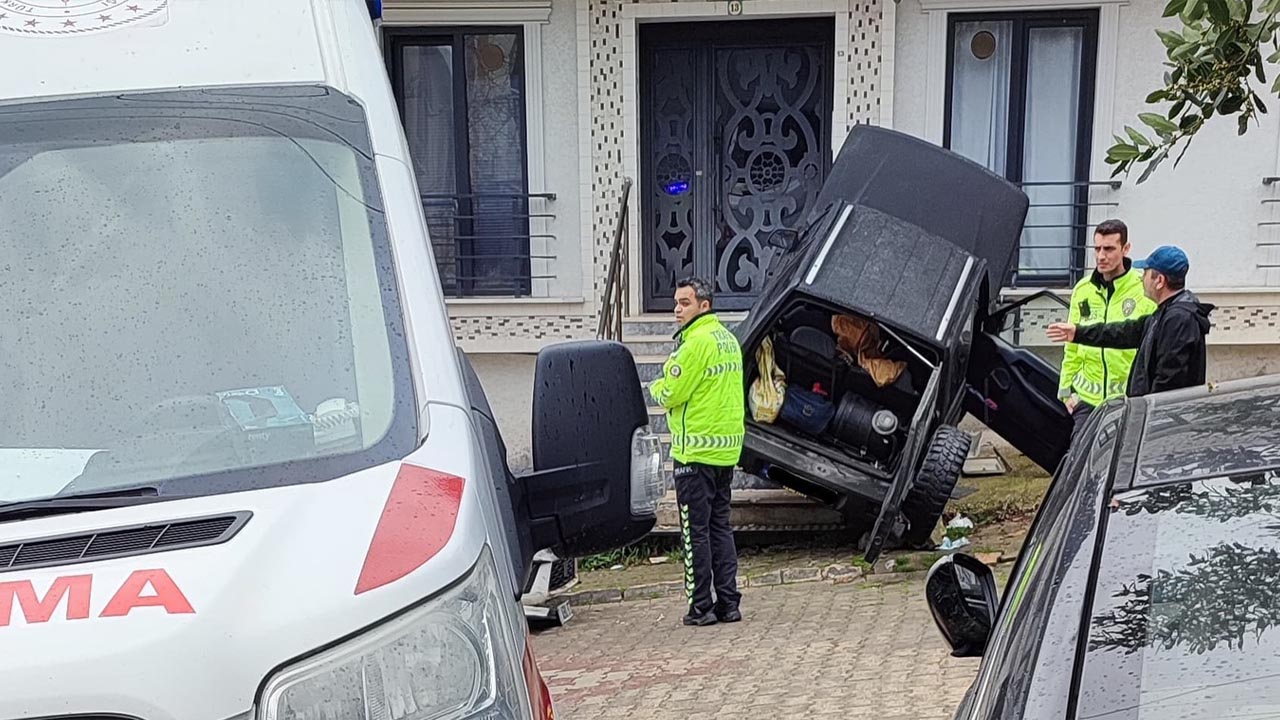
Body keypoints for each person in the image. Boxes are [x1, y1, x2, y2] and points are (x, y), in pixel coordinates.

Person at [649, 277, 745, 626]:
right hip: (724, 453)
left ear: (704, 306)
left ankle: (701, 607)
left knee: (695, 533)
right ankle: (729, 603)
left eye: (685, 303)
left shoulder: (694, 344)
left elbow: (670, 392)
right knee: (720, 527)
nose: (677, 309)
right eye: (676, 303)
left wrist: (657, 385)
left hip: (694, 454)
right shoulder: (728, 340)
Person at [1047, 245, 1214, 397]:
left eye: (1146, 273)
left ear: (1159, 281)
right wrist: (1078, 332)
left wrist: (1149, 417)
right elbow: (1124, 332)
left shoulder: (1178, 319)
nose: (1142, 279)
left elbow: (1169, 380)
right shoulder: (1166, 313)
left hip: (1160, 419)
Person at [1058, 219, 1156, 436]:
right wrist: (1066, 391)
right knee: (1079, 463)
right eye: (1097, 248)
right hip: (1087, 401)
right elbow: (1071, 345)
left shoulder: (1142, 288)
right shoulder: (1083, 289)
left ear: (1126, 249)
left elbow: (1152, 344)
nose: (1101, 256)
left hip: (1128, 401)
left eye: (1109, 249)